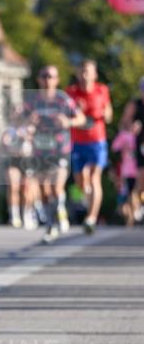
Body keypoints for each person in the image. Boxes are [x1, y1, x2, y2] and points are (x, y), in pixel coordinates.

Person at [20, 66, 85, 243]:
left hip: (60, 149)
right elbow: (20, 121)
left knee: (56, 187)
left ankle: (54, 222)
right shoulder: (32, 100)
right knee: (44, 191)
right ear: (39, 79)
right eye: (44, 76)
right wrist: (28, 122)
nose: (48, 80)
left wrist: (68, 122)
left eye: (51, 76)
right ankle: (53, 218)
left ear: (57, 80)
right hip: (40, 150)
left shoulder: (63, 99)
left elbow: (81, 119)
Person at [65, 60, 113, 233]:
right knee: (81, 181)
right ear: (78, 74)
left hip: (97, 141)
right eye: (82, 71)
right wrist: (74, 112)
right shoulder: (71, 92)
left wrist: (105, 113)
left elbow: (109, 114)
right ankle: (88, 198)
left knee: (94, 178)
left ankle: (91, 218)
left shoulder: (102, 90)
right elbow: (65, 114)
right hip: (77, 142)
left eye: (88, 71)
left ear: (95, 74)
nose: (85, 75)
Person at [119, 75, 144, 210]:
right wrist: (131, 128)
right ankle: (138, 207)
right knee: (140, 181)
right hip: (139, 147)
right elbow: (123, 124)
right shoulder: (135, 105)